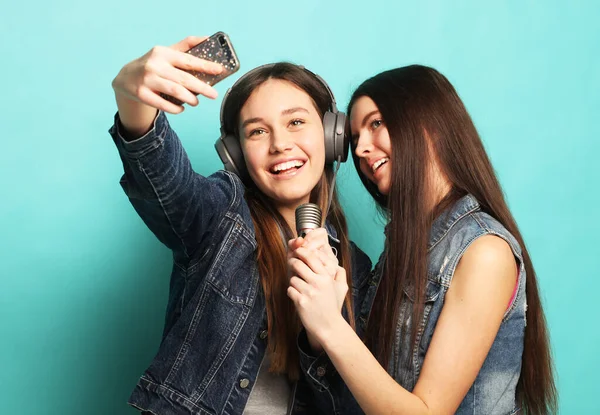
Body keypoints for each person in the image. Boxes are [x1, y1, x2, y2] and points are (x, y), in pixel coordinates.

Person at [109, 35, 371, 414]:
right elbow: (164, 180)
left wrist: (322, 334)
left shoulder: (357, 270)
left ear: (334, 136)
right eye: (257, 131)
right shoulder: (221, 215)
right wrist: (134, 99)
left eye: (296, 121)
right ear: (234, 155)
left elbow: (350, 400)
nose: (280, 143)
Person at [287, 65, 557, 414]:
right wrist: (319, 319)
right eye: (354, 140)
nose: (362, 149)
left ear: (429, 124)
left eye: (376, 124)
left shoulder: (484, 251)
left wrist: (331, 326)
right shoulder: (402, 250)